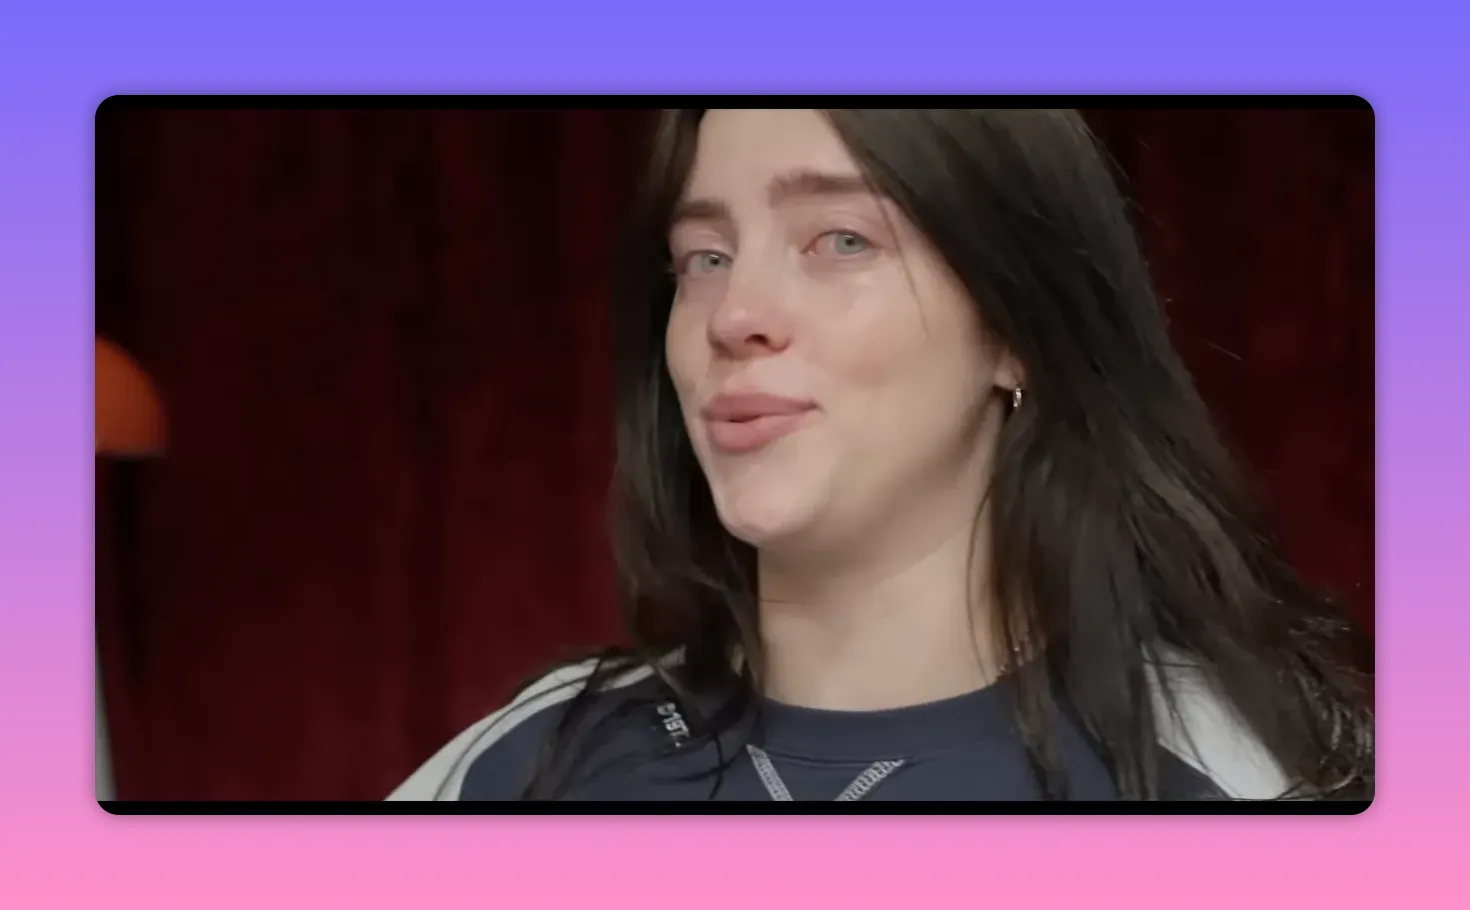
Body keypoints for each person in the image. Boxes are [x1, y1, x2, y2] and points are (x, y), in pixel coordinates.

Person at [389, 109, 1374, 802]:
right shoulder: (521, 769)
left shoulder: (1257, 781)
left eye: (842, 240)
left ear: (1015, 325)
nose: (734, 317)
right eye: (706, 257)